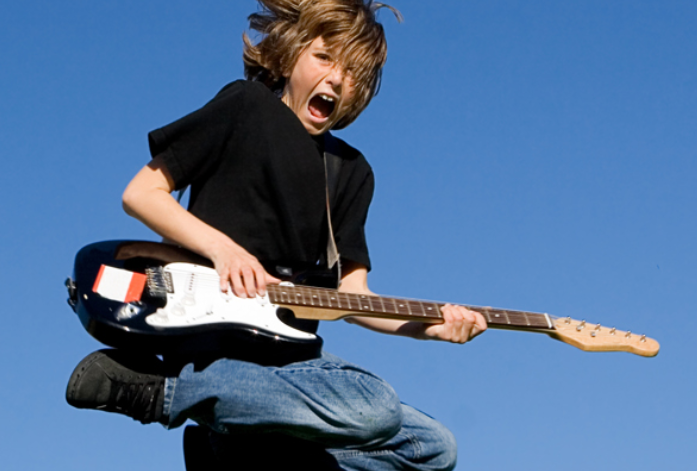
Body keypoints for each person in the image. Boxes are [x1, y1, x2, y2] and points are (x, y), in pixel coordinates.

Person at [66, 1, 487, 470]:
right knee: (375, 406)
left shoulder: (352, 173)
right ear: (289, 56)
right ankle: (162, 393)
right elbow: (142, 193)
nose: (335, 78)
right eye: (324, 58)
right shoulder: (245, 108)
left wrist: (431, 327)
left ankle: (233, 446)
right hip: (218, 351)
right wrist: (223, 250)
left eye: (351, 71)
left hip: (288, 375)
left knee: (432, 447)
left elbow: (352, 296)